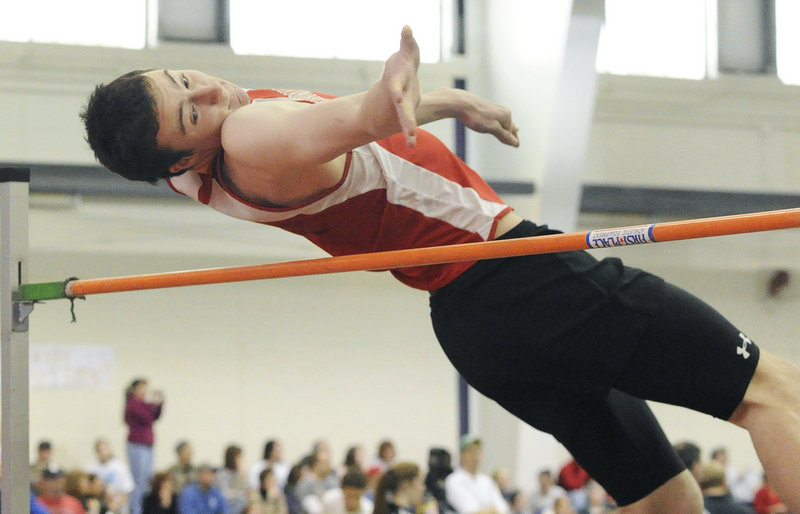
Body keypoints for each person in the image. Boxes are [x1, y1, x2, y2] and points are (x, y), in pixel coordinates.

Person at [81, 25, 800, 512]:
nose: (213, 94)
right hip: (523, 277)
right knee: (770, 390)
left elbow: (360, 133)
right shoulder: (248, 137)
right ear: (184, 156)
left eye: (187, 78)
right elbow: (347, 122)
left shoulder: (190, 178)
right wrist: (384, 91)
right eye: (191, 114)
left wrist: (448, 101)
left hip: (476, 328)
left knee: (659, 496)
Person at [124, 378, 164, 514]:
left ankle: (143, 508)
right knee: (138, 481)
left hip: (147, 445)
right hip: (137, 445)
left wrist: (159, 404)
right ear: (134, 390)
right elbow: (148, 417)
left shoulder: (143, 404)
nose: (144, 391)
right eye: (141, 388)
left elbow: (156, 415)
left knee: (147, 480)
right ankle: (136, 510)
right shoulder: (133, 404)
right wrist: (154, 404)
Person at [444, 435, 509, 514]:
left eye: (478, 451)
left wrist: (490, 510)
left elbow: (503, 508)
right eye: (472, 451)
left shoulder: (486, 480)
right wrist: (492, 510)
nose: (476, 456)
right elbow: (471, 511)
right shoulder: (454, 480)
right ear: (462, 455)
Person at [86, 437, 135, 512]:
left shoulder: (120, 467)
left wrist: (117, 503)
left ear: (109, 449)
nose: (103, 453)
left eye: (104, 449)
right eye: (100, 450)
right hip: (99, 503)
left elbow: (127, 491)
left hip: (117, 504)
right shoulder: (91, 469)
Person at [216, 445, 249, 514]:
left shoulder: (240, 473)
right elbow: (225, 495)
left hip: (238, 505)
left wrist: (242, 476)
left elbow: (246, 493)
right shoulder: (222, 474)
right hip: (226, 506)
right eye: (238, 458)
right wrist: (237, 492)